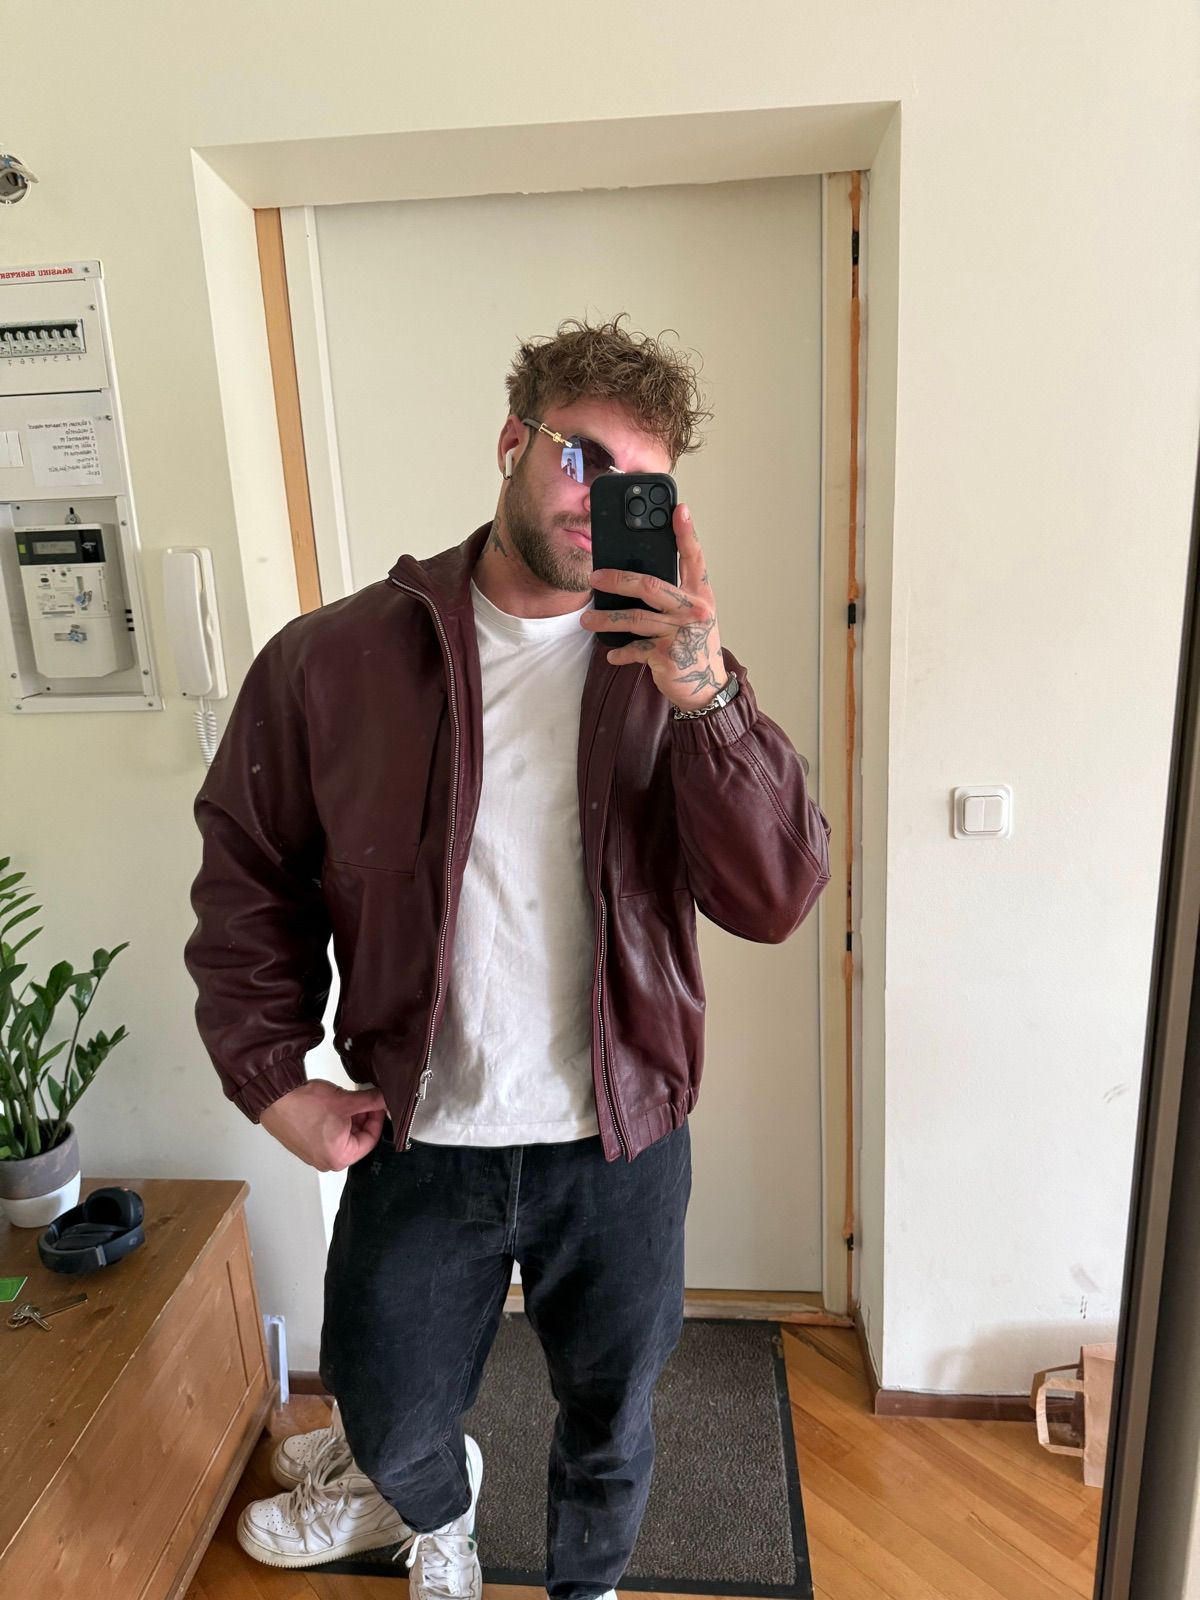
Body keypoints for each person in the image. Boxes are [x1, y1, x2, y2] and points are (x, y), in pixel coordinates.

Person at [184, 313, 832, 1599]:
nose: (600, 498)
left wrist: (710, 699)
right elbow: (250, 871)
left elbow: (774, 897)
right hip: (419, 1133)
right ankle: (438, 1513)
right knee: (385, 1407)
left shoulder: (674, 671)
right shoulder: (334, 661)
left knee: (612, 1414)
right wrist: (273, 1077)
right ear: (513, 443)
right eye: (580, 455)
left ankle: (587, 1585)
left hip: (620, 1140)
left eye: (640, 481)